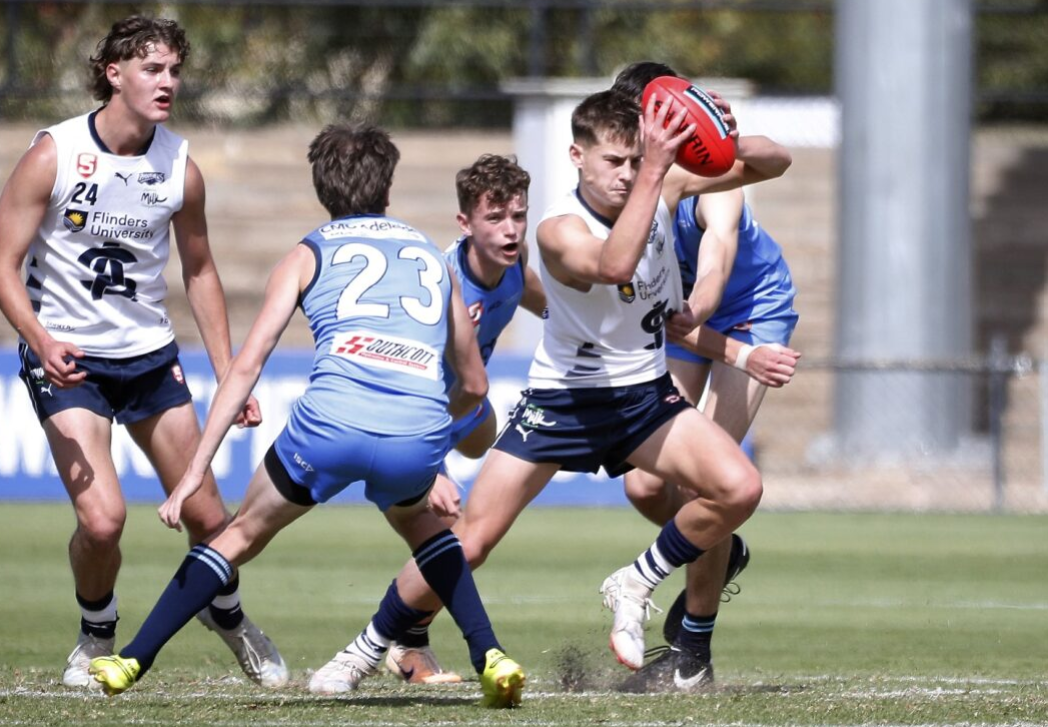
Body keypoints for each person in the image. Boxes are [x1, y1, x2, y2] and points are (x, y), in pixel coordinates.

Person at [314, 87, 796, 688]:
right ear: (576, 156)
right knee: (471, 541)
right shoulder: (556, 229)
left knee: (739, 488)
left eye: (632, 160)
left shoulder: (665, 183)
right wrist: (655, 168)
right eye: (611, 162)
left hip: (643, 399)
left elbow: (775, 162)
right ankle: (365, 648)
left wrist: (716, 133)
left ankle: (637, 580)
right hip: (562, 402)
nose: (624, 175)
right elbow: (615, 265)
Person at [87, 123, 526, 709]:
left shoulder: (306, 253)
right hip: (416, 431)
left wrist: (193, 473)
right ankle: (491, 657)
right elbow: (473, 384)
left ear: (323, 192)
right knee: (426, 530)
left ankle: (130, 659)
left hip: (328, 426)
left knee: (236, 535)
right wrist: (426, 440)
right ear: (388, 189)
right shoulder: (430, 253)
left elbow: (245, 367)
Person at [0, 15, 286, 690]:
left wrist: (228, 374)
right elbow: (2, 268)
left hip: (150, 358)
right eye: (153, 69)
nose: (168, 82)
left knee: (213, 518)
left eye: (175, 70)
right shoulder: (53, 153)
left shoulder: (180, 164)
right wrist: (42, 339)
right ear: (113, 73)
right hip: (69, 360)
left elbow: (201, 270)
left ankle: (229, 616)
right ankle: (95, 632)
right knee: (103, 520)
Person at [613, 61, 801, 691]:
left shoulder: (706, 171)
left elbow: (718, 258)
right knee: (643, 487)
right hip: (685, 321)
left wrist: (721, 131)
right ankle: (718, 545)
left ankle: (693, 649)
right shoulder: (629, 185)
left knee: (706, 488)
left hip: (747, 315)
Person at [386, 153, 547, 684]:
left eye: (518, 217)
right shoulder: (442, 283)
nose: (511, 230)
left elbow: (558, 309)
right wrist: (429, 466)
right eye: (495, 219)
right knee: (455, 538)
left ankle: (407, 640)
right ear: (465, 224)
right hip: (408, 419)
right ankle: (403, 647)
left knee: (483, 439)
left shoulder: (516, 267)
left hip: (465, 411)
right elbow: (407, 376)